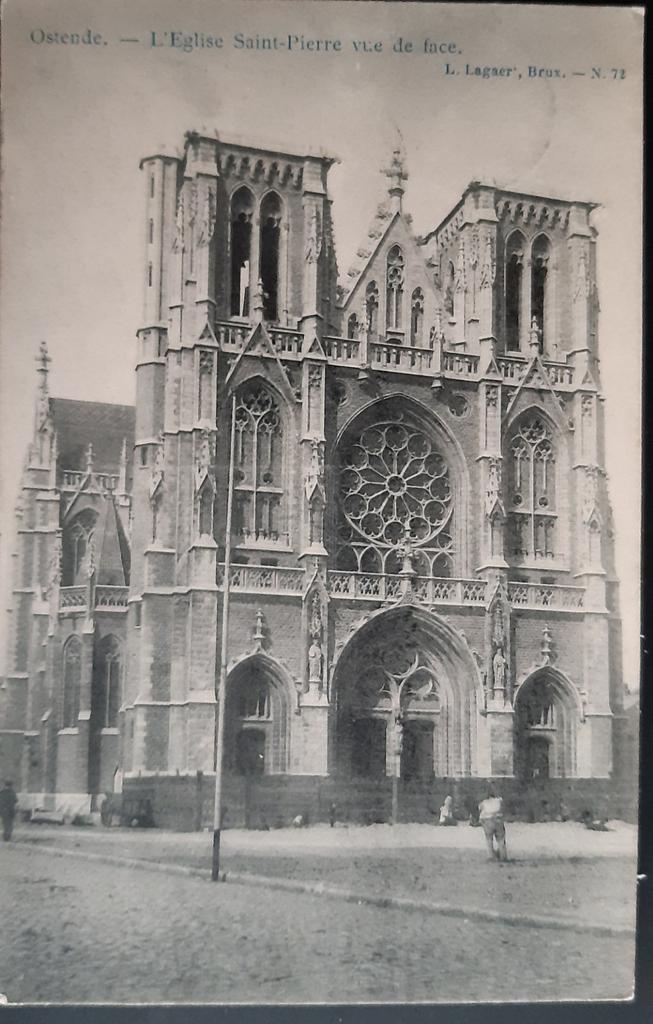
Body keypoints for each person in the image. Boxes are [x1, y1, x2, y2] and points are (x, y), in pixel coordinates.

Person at [478, 788, 508, 861]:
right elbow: (503, 808)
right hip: (498, 820)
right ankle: (503, 855)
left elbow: (479, 809)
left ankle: (491, 856)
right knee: (501, 839)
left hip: (487, 820)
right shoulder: (499, 801)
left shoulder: (484, 802)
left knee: (489, 839)